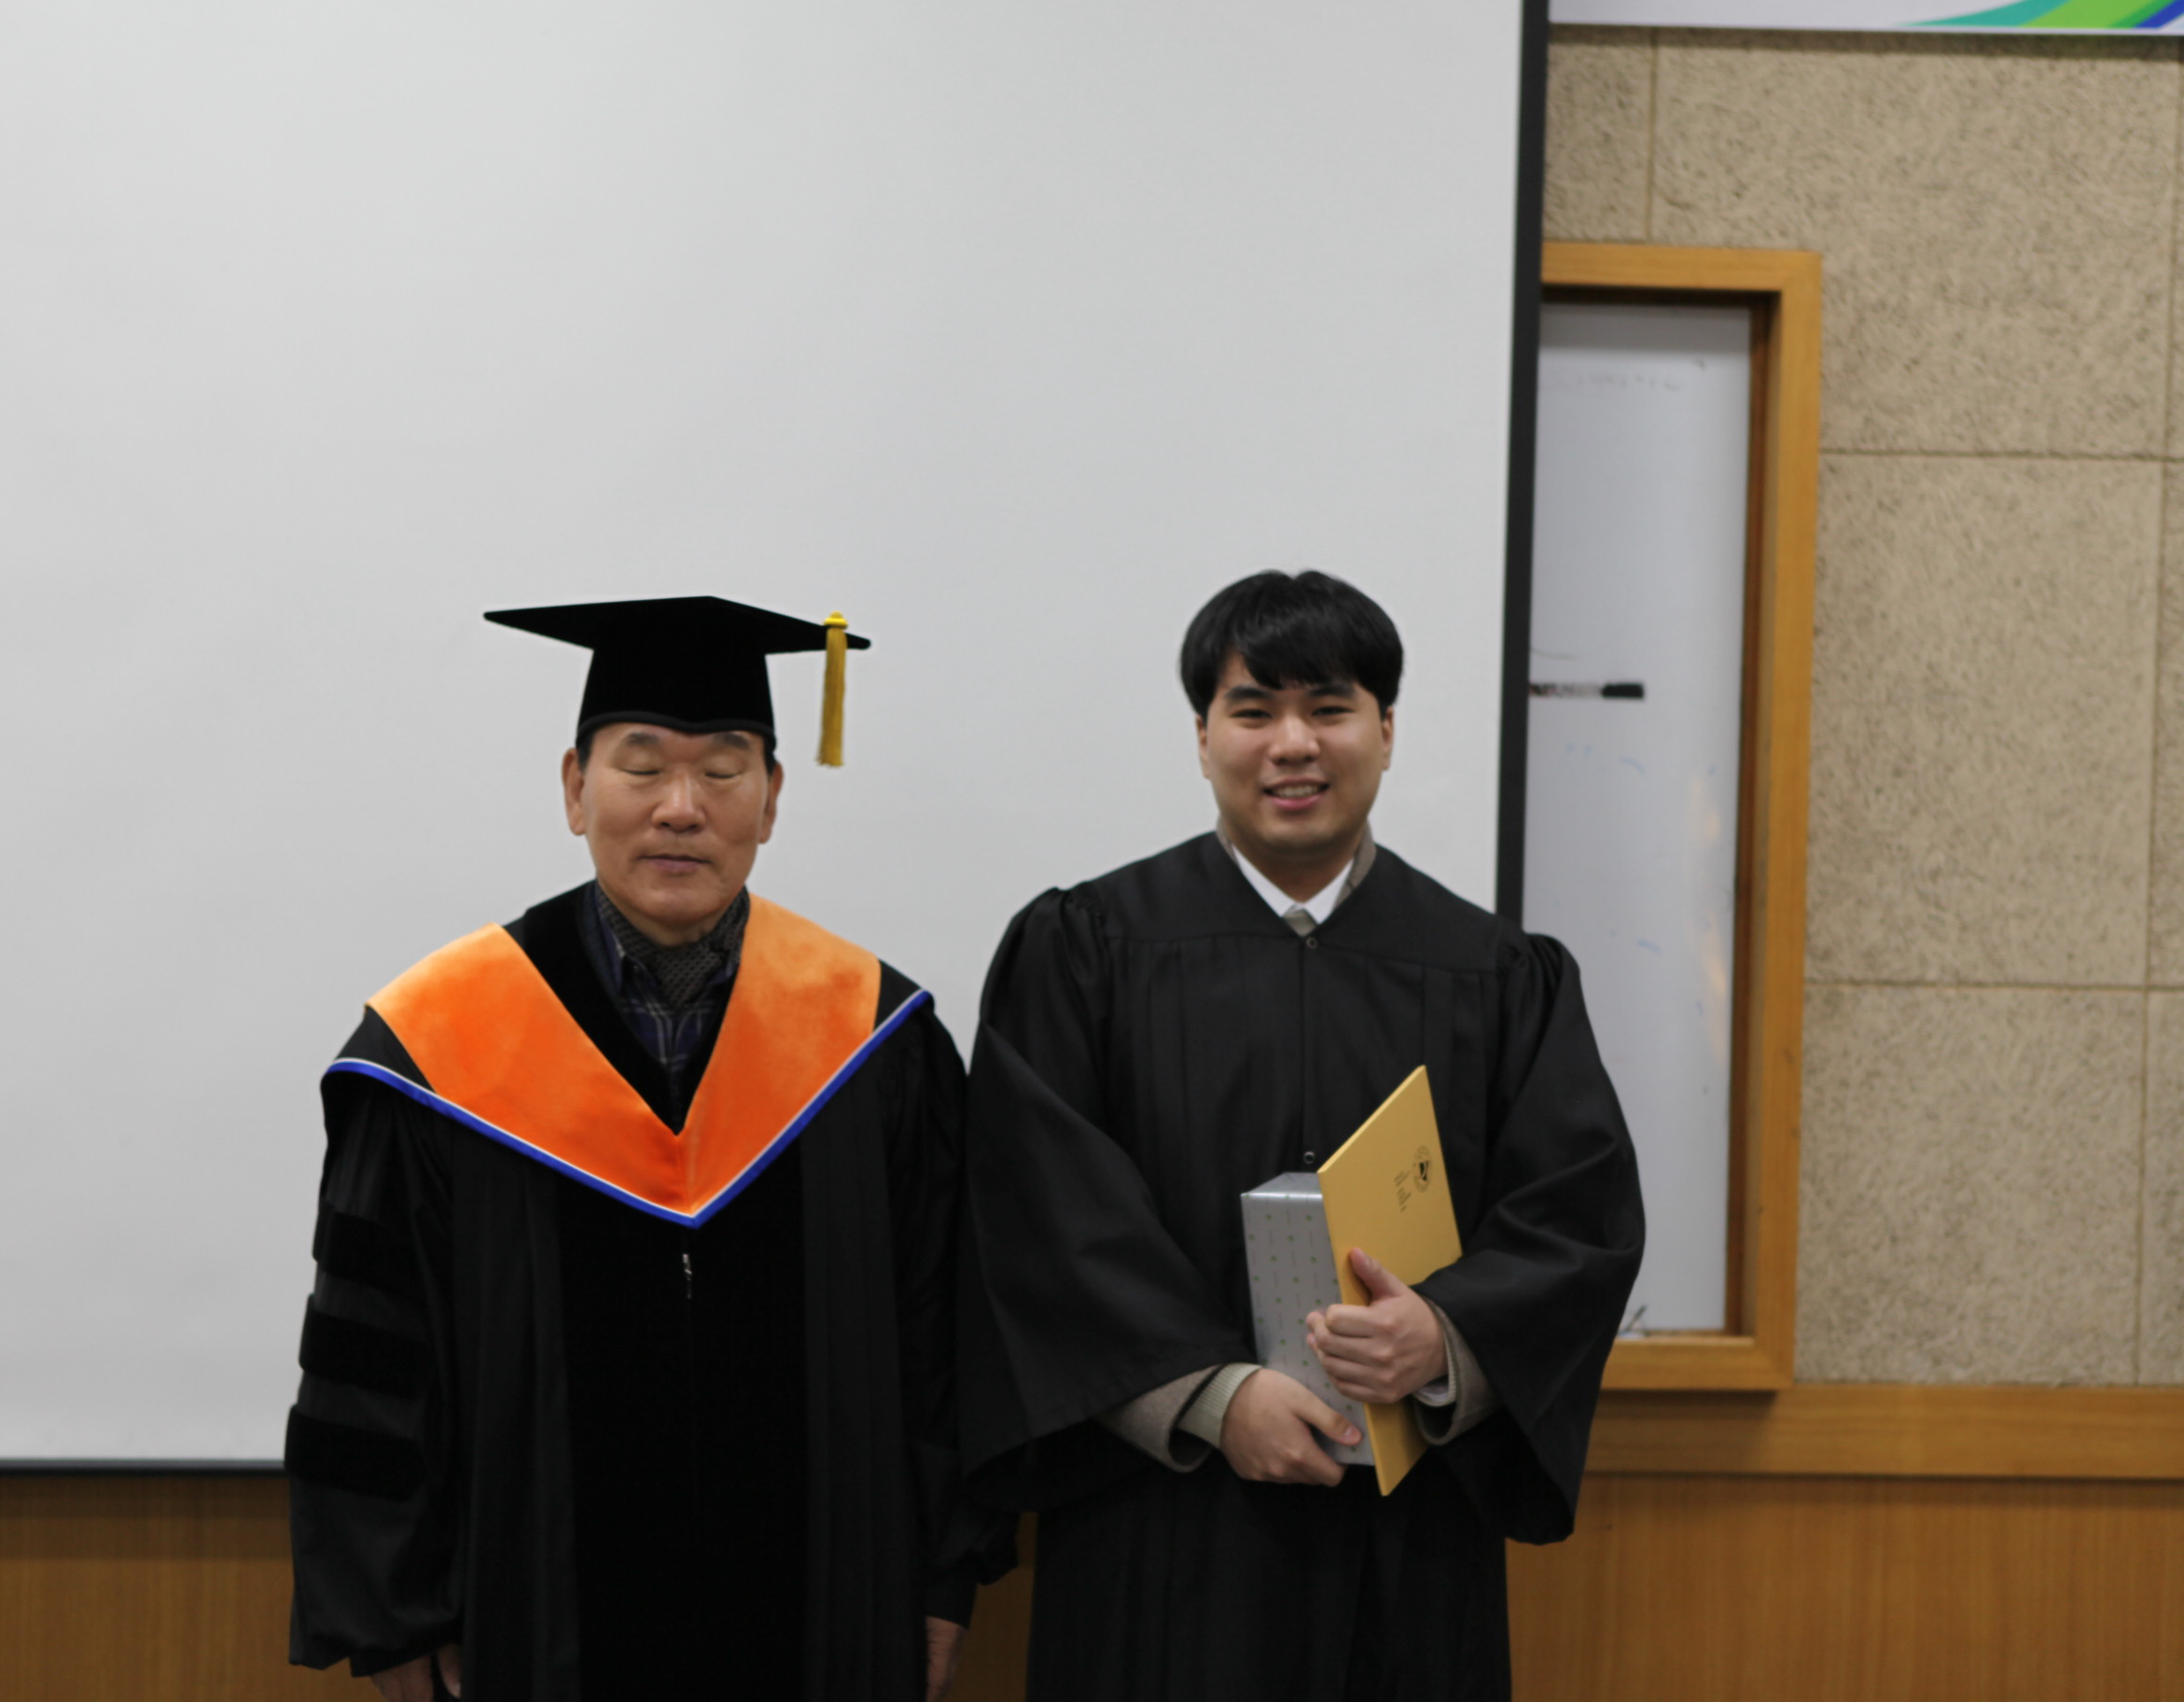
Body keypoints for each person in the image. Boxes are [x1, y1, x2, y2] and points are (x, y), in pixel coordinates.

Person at [956, 569, 1645, 1700]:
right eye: (1253, 709)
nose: (1293, 743)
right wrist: (1211, 1396)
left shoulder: (1496, 973)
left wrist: (1446, 1338)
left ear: (1386, 729)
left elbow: (1578, 1212)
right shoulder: (1086, 948)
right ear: (1202, 735)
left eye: (1330, 708)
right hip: (1160, 1520)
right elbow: (1037, 1213)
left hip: (1409, 1529)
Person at [285, 596, 983, 1702]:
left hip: (822, 1621)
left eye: (723, 770)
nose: (680, 807)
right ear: (575, 788)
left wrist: (944, 1576)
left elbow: (941, 1337)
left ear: (773, 796)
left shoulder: (874, 1041)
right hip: (529, 1623)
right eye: (642, 766)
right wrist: (392, 1613)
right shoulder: (438, 1047)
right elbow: (374, 1358)